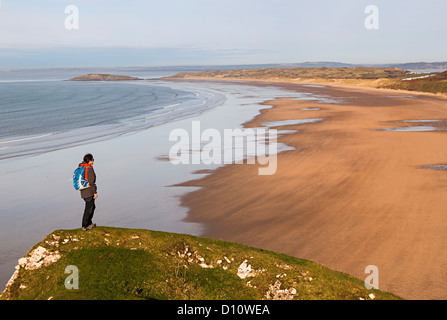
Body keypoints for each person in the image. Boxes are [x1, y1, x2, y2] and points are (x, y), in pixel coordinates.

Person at [78, 153, 98, 231]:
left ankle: (88, 223)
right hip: (88, 191)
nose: (93, 160)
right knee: (89, 208)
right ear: (89, 160)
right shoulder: (89, 169)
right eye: (93, 159)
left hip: (83, 191)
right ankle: (85, 225)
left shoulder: (81, 167)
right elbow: (91, 182)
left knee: (90, 207)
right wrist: (95, 192)